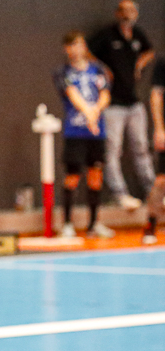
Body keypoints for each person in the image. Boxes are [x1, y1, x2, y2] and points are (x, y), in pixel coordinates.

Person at [88, 0, 156, 210]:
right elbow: (87, 50)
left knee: (141, 148)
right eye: (124, 11)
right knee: (112, 151)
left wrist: (139, 64)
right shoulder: (107, 34)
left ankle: (154, 193)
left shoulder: (137, 35)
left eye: (132, 11)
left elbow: (149, 51)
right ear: (118, 13)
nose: (128, 15)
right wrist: (102, 68)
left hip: (134, 102)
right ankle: (120, 194)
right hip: (113, 104)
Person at [54, 31, 114, 239]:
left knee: (95, 177)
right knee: (72, 178)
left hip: (96, 134)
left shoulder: (98, 70)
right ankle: (68, 223)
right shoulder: (63, 72)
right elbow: (73, 95)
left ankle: (93, 224)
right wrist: (89, 115)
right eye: (71, 45)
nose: (75, 49)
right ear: (66, 49)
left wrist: (95, 113)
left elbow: (105, 94)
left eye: (79, 44)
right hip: (75, 132)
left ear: (84, 47)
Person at [145, 58, 165, 244]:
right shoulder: (163, 62)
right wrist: (159, 128)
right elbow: (156, 95)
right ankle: (150, 225)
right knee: (161, 180)